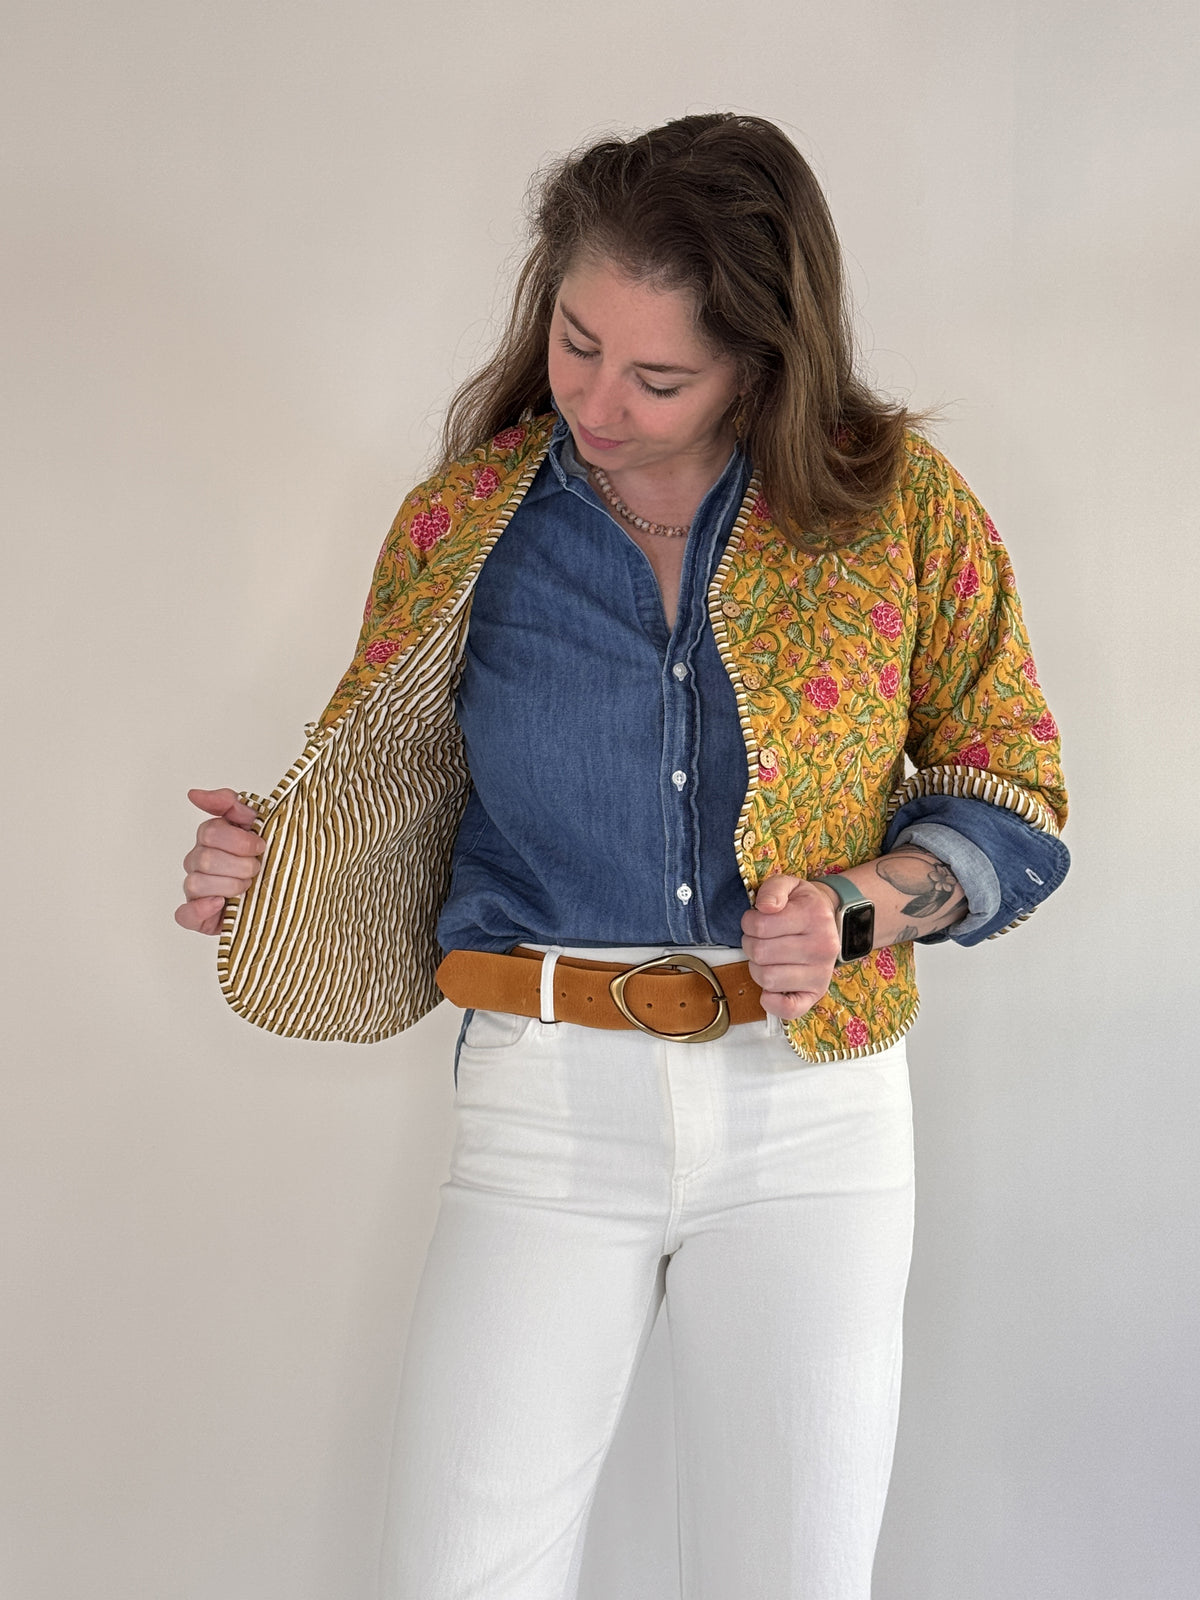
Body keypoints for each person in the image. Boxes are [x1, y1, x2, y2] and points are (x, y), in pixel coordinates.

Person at [176, 113, 1069, 1600]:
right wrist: (273, 868)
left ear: (765, 363)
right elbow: (390, 793)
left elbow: (1017, 797)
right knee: (461, 1574)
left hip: (816, 1116)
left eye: (658, 376)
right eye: (578, 342)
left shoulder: (895, 507)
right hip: (542, 1111)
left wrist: (860, 907)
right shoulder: (466, 525)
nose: (597, 398)